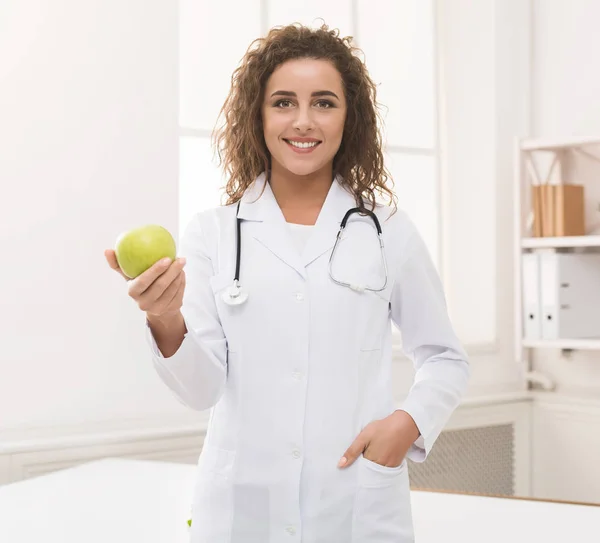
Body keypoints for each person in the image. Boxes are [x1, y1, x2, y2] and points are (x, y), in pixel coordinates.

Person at [105, 22, 470, 543]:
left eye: (323, 102)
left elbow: (445, 357)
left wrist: (404, 425)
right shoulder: (214, 232)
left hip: (353, 505)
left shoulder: (389, 232)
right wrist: (164, 316)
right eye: (283, 102)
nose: (303, 121)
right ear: (258, 115)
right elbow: (202, 388)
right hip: (240, 508)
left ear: (351, 118)